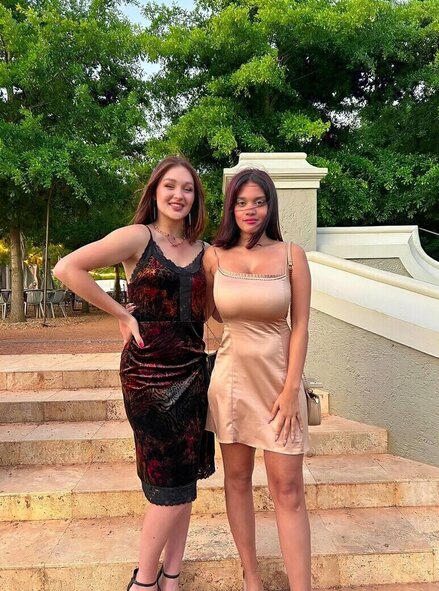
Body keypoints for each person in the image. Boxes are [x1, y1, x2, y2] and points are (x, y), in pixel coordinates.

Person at [54, 156, 215, 591]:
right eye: (170, 186)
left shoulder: (206, 251)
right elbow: (67, 268)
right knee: (169, 482)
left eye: (187, 188)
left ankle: (171, 578)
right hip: (147, 375)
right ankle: (143, 582)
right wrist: (122, 313)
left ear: (196, 197)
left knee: (185, 479)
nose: (179, 195)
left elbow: (213, 311)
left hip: (194, 372)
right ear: (155, 191)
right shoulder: (138, 237)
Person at [203, 168, 312, 591]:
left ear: (271, 206)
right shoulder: (214, 257)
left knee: (288, 489)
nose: (250, 210)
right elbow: (208, 311)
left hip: (279, 384)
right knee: (237, 480)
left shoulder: (292, 256)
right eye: (241, 202)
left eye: (259, 202)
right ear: (231, 207)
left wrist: (291, 390)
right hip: (231, 382)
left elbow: (300, 327)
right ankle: (252, 577)